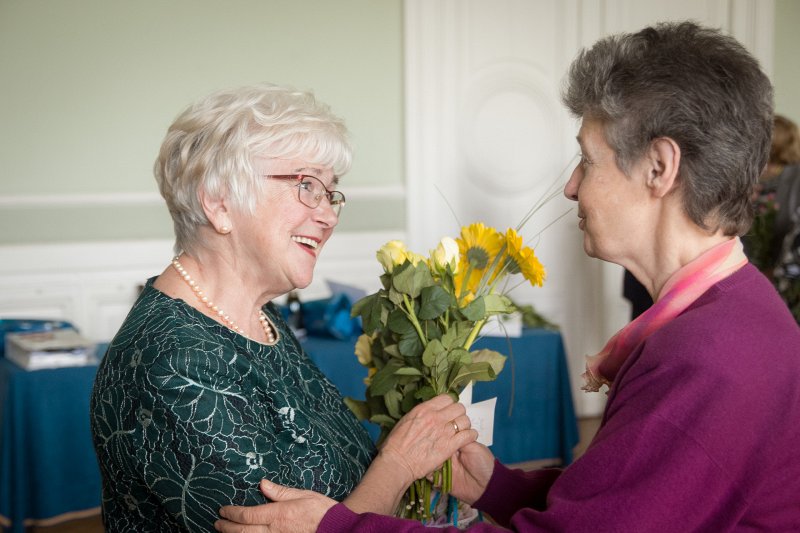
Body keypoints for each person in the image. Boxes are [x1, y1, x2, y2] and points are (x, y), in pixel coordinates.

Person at [214, 22, 800, 532]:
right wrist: (497, 484)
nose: (572, 185)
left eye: (587, 160)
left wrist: (339, 527)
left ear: (659, 167)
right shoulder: (730, 315)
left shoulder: (710, 354)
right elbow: (631, 505)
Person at [89, 83, 477, 532]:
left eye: (331, 194)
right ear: (219, 203)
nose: (329, 215)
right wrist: (398, 464)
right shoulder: (176, 363)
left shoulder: (257, 318)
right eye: (306, 185)